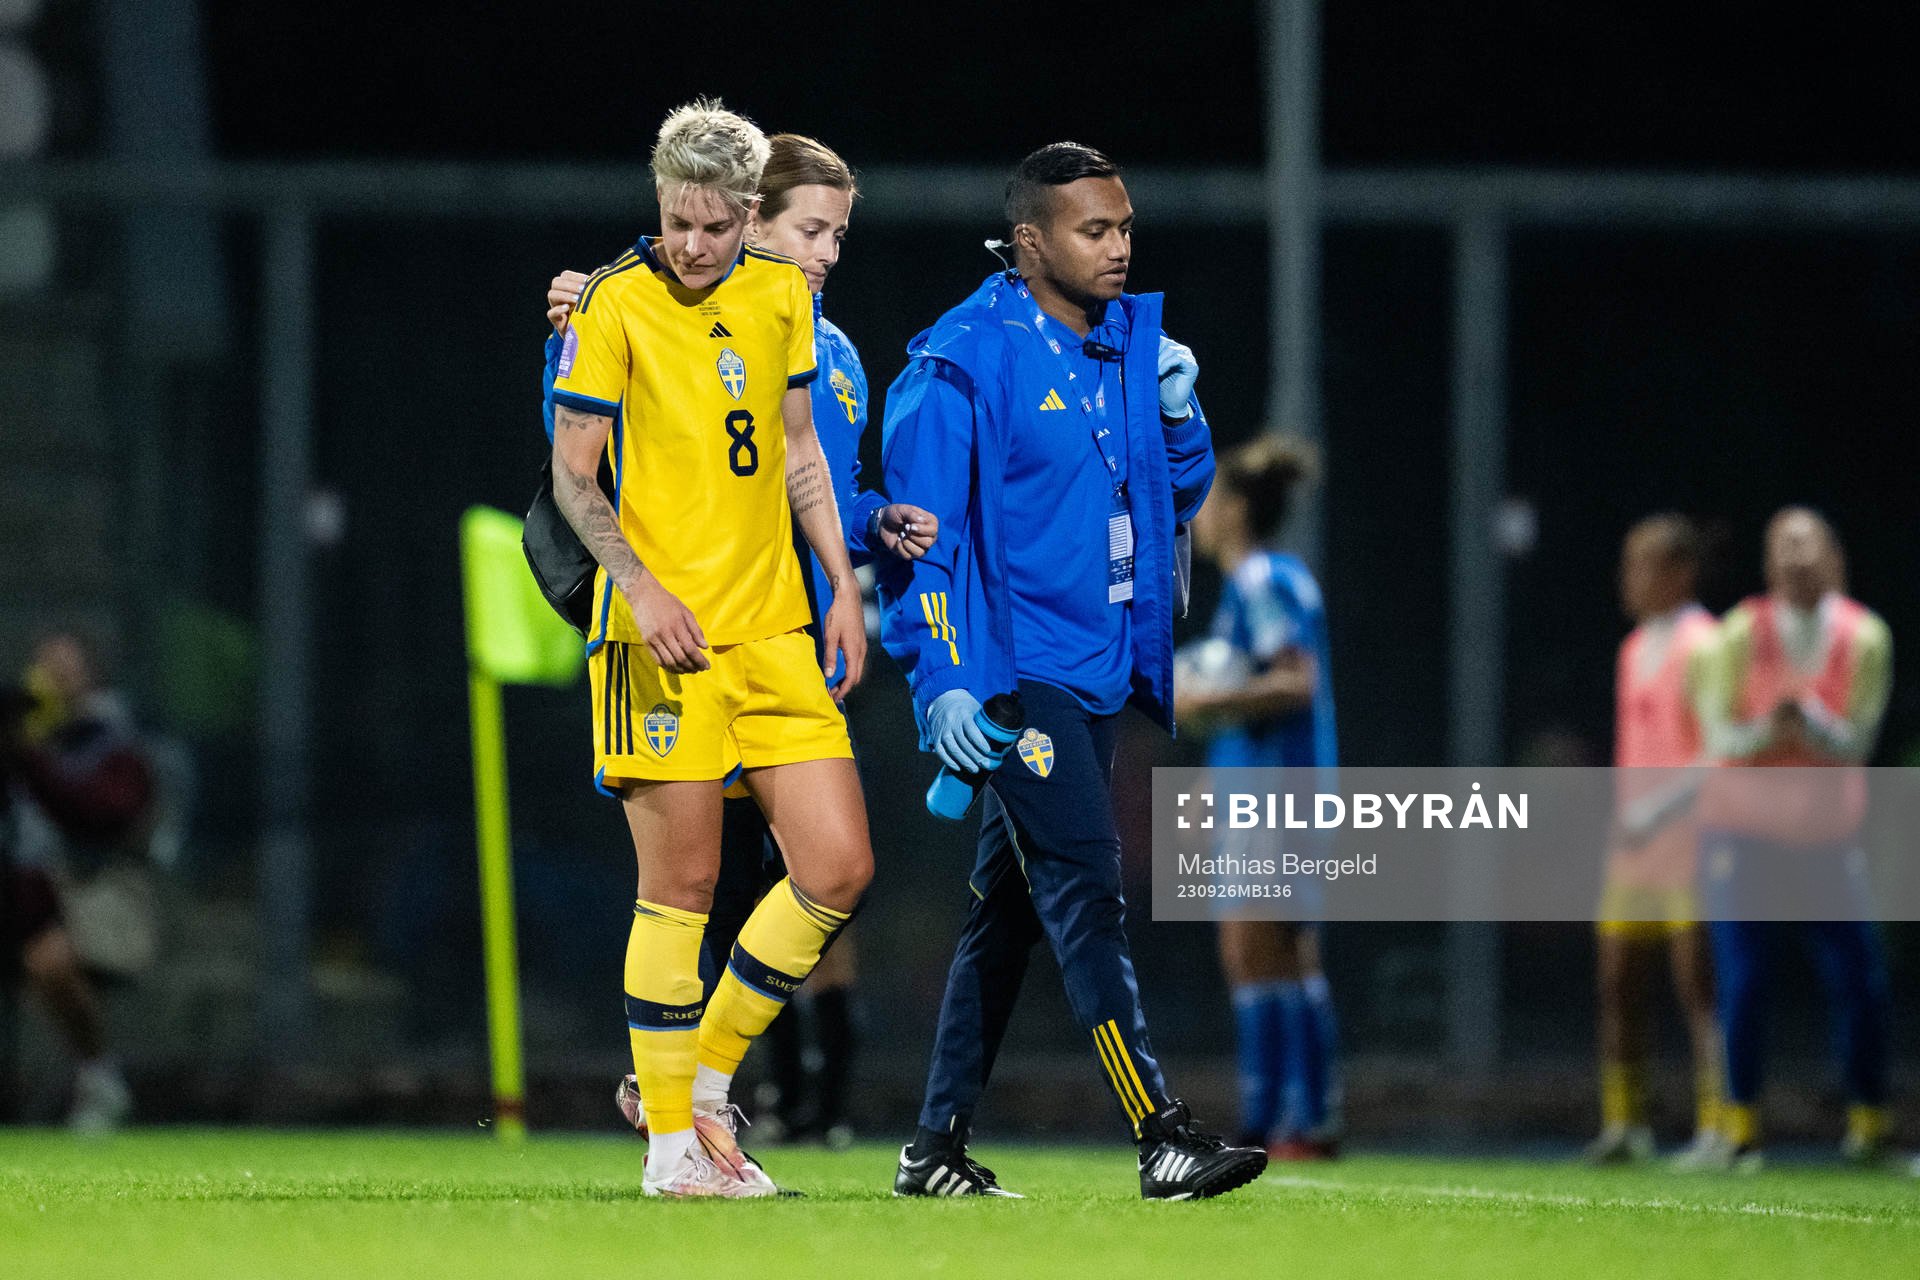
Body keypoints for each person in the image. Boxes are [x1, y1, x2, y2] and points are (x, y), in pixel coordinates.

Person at [878, 142, 1265, 1200]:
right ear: (1030, 241)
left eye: (1127, 227)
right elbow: (925, 541)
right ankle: (1160, 1134)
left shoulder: (1127, 347)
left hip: (1096, 673)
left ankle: (935, 1147)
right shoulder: (960, 360)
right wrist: (943, 676)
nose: (1120, 248)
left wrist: (1182, 415)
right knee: (1087, 889)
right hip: (1017, 676)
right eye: (1096, 231)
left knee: (1005, 915)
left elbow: (1171, 495)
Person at [543, 134, 930, 1149]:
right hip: (667, 640)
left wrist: (857, 567)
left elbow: (814, 470)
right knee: (689, 887)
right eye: (813, 228)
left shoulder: (810, 332)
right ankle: (682, 1128)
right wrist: (570, 319)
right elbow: (575, 463)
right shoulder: (619, 300)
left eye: (840, 234)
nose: (829, 251)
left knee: (832, 871)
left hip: (784, 638)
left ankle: (701, 1083)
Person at [1692, 507, 1893, 1170]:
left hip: (1826, 839)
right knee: (1744, 980)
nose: (1796, 561)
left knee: (1860, 981)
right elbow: (1720, 738)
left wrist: (1803, 724)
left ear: (1834, 558)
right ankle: (1741, 1125)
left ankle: (1869, 1125)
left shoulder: (1864, 637)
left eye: (1807, 549)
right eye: (1783, 549)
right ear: (1768, 563)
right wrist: (1764, 735)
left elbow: (1858, 742)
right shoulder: (1740, 633)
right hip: (1744, 834)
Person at [1174, 437, 1341, 1161]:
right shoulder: (1275, 580)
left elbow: (1295, 682)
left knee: (1255, 950)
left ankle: (1281, 1119)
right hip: (1272, 792)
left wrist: (1205, 698)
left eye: (1208, 501)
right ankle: (1300, 1117)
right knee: (1283, 955)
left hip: (1276, 798)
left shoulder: (1262, 582)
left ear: (1237, 508)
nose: (1198, 517)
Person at [1584, 515, 1724, 1166]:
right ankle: (1625, 1125)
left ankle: (1721, 1125)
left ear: (1680, 573)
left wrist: (1661, 811)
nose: (1627, 579)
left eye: (1642, 565)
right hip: (1633, 844)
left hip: (1693, 839)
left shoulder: (1707, 644)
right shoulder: (1631, 647)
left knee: (1700, 987)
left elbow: (1719, 751)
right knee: (1619, 982)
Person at [2, 632, 150, 1131]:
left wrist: (30, 761)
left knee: (50, 960)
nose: (54, 681)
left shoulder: (113, 744)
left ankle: (98, 1077)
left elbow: (100, 817)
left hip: (96, 893)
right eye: (46, 669)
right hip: (23, 896)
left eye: (66, 670)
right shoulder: (27, 735)